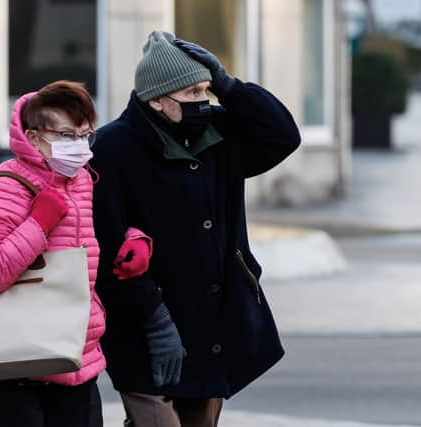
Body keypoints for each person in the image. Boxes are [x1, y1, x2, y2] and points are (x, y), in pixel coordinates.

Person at [91, 31, 301, 427]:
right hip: (145, 326)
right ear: (156, 99)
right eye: (192, 93)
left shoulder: (219, 132)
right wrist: (154, 318)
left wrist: (230, 86)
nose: (203, 101)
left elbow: (283, 135)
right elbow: (106, 244)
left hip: (213, 322)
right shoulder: (112, 148)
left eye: (206, 89)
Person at [0, 80, 152, 427]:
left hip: (73, 360)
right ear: (33, 137)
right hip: (14, 370)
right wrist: (38, 223)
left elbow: (96, 234)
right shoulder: (6, 185)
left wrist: (132, 238)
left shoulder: (83, 181)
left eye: (84, 135)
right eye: (66, 136)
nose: (78, 147)